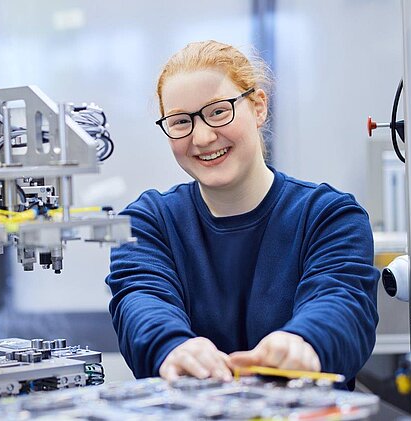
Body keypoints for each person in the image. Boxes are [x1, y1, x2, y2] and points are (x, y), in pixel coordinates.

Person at [105, 40, 378, 388]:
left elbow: (342, 300)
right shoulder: (147, 223)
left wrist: (304, 341)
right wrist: (173, 347)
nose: (202, 137)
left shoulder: (329, 216)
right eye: (180, 122)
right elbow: (141, 299)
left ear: (259, 107)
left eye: (218, 111)